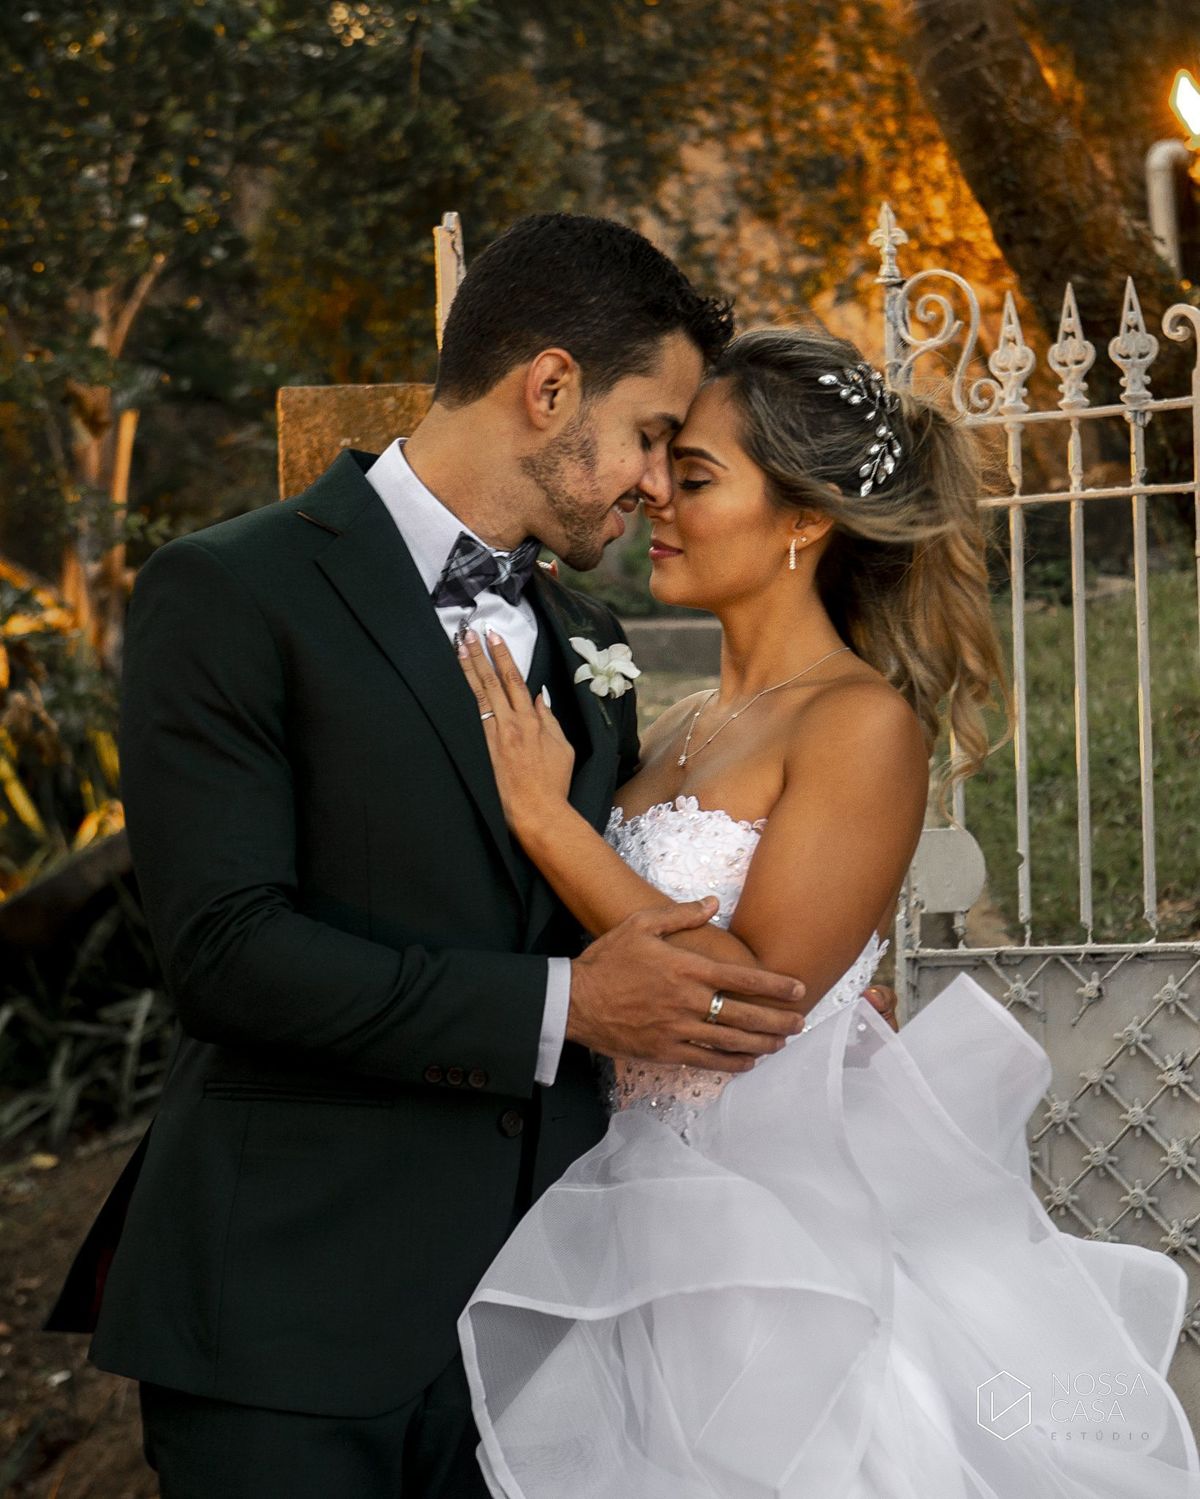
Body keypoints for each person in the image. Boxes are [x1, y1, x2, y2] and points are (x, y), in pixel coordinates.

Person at [42, 216, 890, 1498]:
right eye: (655, 434)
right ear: (548, 389)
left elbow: (634, 907)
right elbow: (224, 952)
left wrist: (830, 1036)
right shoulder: (232, 590)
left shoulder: (590, 640)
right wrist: (565, 1005)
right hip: (290, 1314)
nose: (659, 482)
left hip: (548, 1332)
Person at [456, 327, 1200, 1498]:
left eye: (694, 477)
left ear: (803, 517)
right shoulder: (678, 721)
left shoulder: (860, 722)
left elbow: (751, 998)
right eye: (663, 467)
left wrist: (548, 823)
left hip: (772, 1235)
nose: (654, 492)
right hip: (625, 1202)